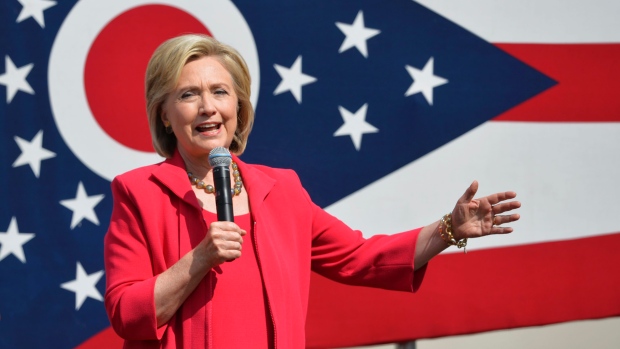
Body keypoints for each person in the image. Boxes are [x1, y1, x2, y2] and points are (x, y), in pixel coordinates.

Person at [103, 34, 521, 349]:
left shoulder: (280, 189)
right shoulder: (139, 192)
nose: (208, 107)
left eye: (220, 92)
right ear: (163, 111)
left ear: (239, 107)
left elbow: (360, 257)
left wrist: (449, 229)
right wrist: (199, 259)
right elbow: (126, 312)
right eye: (188, 94)